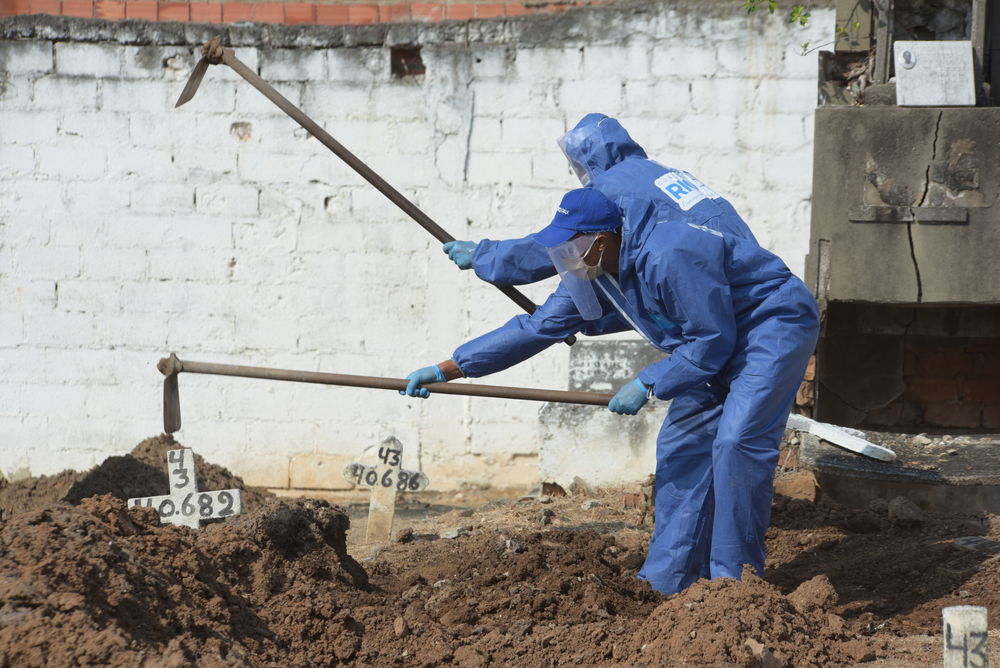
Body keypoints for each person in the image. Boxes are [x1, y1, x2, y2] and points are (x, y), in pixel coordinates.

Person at [403, 114, 820, 596]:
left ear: (601, 238)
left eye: (572, 252)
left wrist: (649, 382)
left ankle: (735, 588)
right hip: (707, 337)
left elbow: (712, 342)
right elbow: (540, 325)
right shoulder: (600, 262)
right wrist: (449, 368)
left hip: (765, 324)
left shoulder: (660, 243)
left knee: (735, 445)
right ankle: (668, 582)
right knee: (682, 449)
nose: (566, 264)